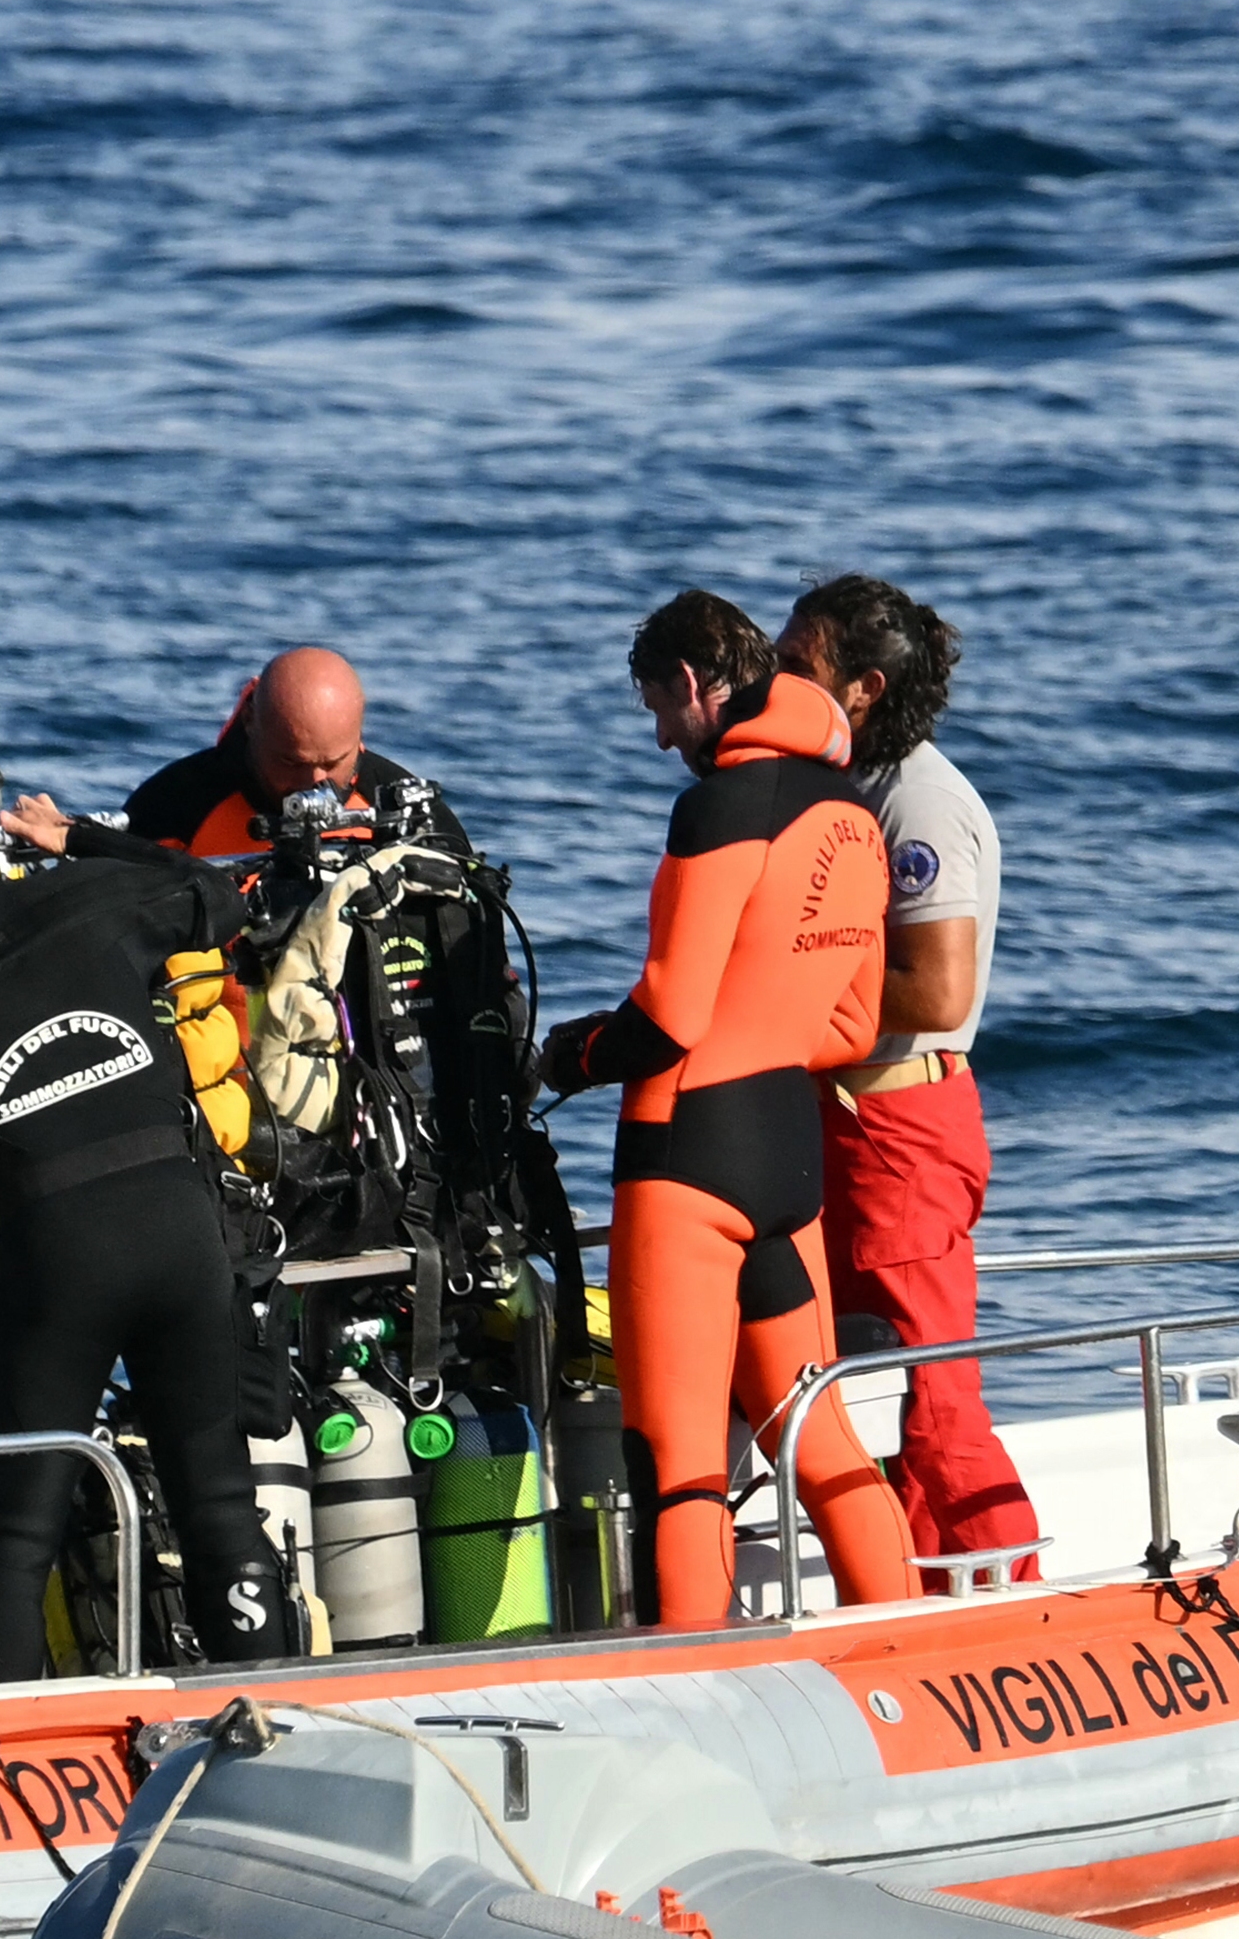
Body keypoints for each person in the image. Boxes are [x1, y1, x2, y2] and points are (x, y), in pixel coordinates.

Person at [0, 792, 288, 1674]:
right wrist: (77, 839)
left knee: (13, 1537)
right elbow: (216, 893)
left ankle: (5, 1768)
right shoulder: (83, 893)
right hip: (182, 1226)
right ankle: (273, 1715)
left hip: (59, 1255)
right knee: (220, 1504)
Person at [539, 588, 922, 1631]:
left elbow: (668, 1013)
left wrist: (565, 1054)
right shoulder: (850, 810)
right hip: (786, 1159)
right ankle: (899, 1645)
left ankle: (694, 1675)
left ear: (695, 684)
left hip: (686, 1163)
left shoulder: (721, 806)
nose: (663, 736)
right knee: (822, 1433)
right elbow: (852, 1027)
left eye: (660, 708)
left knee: (680, 1461)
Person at [786, 575, 1041, 1568]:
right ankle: (923, 1587)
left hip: (899, 1127)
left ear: (864, 687)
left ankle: (1017, 1593)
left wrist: (792, 987)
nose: (776, 674)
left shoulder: (917, 800)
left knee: (934, 1398)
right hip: (844, 1124)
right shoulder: (850, 787)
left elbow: (935, 992)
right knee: (873, 1392)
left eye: (798, 660)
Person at [115, 647, 479, 872]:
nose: (313, 783)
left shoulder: (415, 819)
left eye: (333, 763)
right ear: (250, 722)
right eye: (291, 763)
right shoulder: (173, 807)